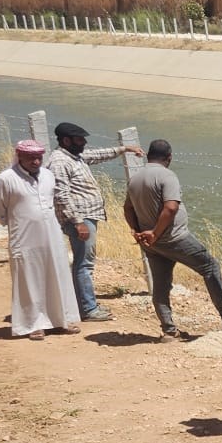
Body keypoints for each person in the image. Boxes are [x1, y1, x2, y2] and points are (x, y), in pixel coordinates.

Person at [123, 139, 222, 340]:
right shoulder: (167, 176)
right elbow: (171, 207)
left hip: (152, 244)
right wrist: (155, 232)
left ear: (148, 155)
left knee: (161, 284)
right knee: (210, 266)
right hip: (173, 238)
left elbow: (127, 208)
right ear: (169, 158)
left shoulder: (135, 178)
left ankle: (169, 330)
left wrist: (137, 231)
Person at [47, 121, 141, 322]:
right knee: (84, 264)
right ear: (66, 140)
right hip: (80, 219)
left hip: (86, 216)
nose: (84, 143)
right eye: (79, 139)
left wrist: (124, 149)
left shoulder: (74, 156)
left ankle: (83, 304)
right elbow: (62, 196)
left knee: (84, 262)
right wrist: (78, 222)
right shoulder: (59, 162)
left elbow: (97, 155)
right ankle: (88, 309)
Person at [0, 140, 79, 341]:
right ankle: (33, 325)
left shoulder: (48, 176)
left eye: (39, 157)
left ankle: (60, 321)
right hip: (24, 238)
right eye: (31, 158)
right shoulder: (6, 179)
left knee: (57, 275)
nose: (36, 161)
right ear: (19, 156)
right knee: (29, 280)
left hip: (52, 236)